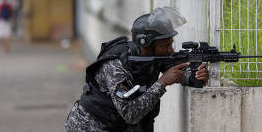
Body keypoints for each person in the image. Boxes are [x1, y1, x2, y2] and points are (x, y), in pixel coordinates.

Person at [65, 7, 209, 132]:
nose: (170, 50)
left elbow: (175, 71)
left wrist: (194, 75)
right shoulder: (116, 67)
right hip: (89, 126)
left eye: (171, 44)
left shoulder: (154, 56)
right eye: (165, 46)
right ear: (146, 46)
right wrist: (161, 83)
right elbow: (130, 114)